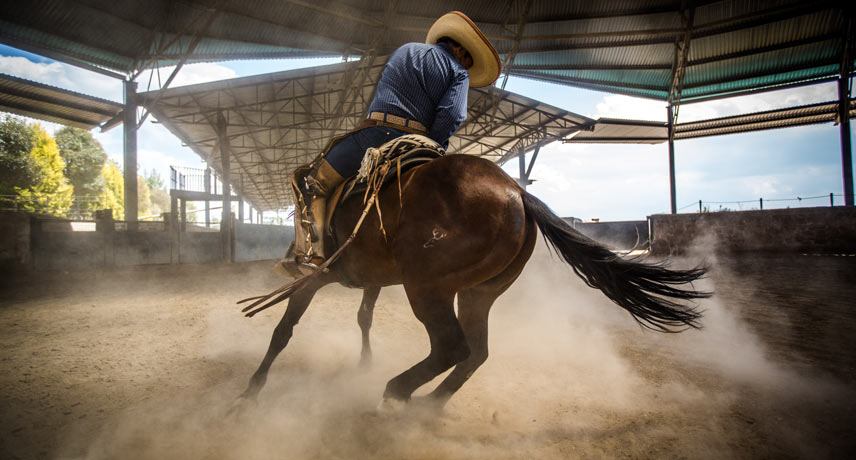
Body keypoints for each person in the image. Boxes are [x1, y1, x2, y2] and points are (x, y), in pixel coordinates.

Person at [286, 11, 501, 272]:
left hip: (376, 135)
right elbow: (453, 114)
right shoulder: (458, 73)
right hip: (420, 143)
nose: (466, 66)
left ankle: (312, 254)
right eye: (467, 61)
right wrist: (434, 145)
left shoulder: (406, 51)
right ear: (460, 50)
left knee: (312, 181)